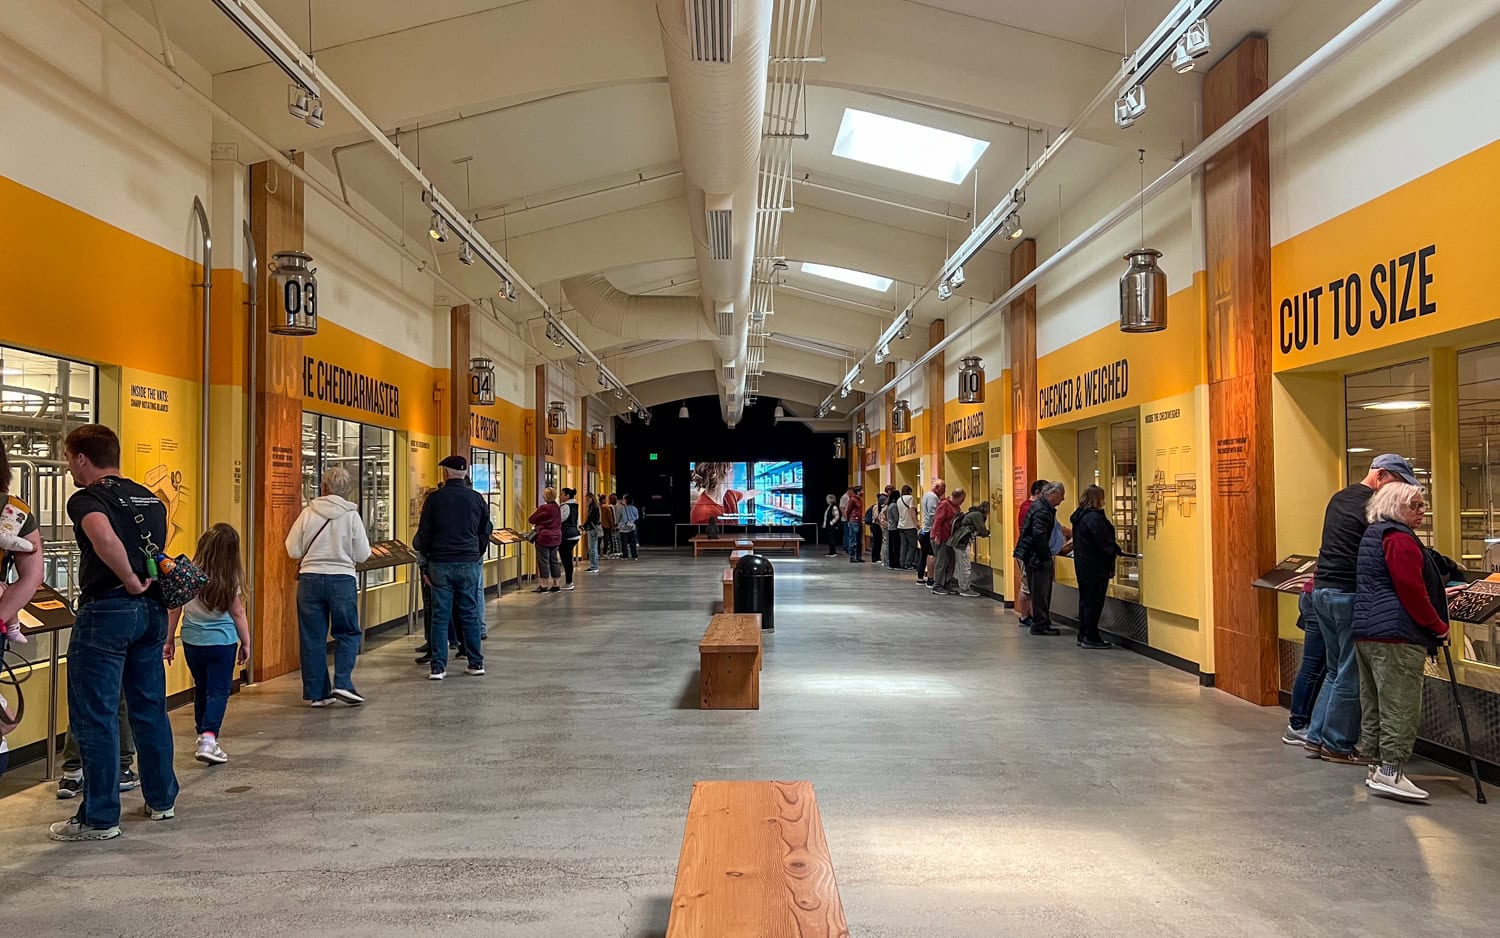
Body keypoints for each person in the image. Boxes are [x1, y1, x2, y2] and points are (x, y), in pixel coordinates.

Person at [49, 424, 177, 842]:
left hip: (108, 611)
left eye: (69, 459)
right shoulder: (150, 499)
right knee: (149, 708)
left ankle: (99, 816)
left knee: (96, 714)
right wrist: (143, 582)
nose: (69, 468)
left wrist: (126, 576)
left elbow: (103, 537)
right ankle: (161, 799)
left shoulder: (87, 498)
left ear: (82, 458)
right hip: (151, 614)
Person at [1302, 453, 1418, 764]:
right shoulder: (1374, 506)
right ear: (1381, 476)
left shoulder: (1340, 497)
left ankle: (1315, 738)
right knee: (1350, 674)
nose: (1399, 493)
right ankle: (1337, 744)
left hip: (1322, 591)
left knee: (1333, 670)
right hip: (1348, 594)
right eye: (1398, 483)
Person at [1352, 482, 1451, 801]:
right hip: (1396, 634)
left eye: (1423, 505)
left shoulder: (1374, 534)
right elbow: (1412, 591)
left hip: (1367, 630)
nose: (1423, 512)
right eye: (1416, 506)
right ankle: (1391, 771)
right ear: (1395, 506)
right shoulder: (1400, 541)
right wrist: (1438, 626)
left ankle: (1376, 766)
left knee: (1375, 702)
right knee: (1400, 703)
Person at [163, 523, 251, 764]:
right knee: (218, 691)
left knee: (201, 687)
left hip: (193, 641)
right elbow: (238, 613)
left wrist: (169, 640)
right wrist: (246, 642)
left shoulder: (188, 574)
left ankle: (202, 733)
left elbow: (175, 610)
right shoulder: (230, 578)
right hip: (222, 642)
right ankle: (209, 737)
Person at [287, 465, 372, 708]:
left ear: (324, 487)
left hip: (310, 579)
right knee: (348, 632)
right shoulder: (352, 516)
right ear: (348, 490)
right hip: (342, 579)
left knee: (312, 636)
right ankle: (343, 682)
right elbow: (363, 554)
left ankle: (317, 693)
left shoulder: (308, 513)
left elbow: (293, 549)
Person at [414, 455, 492, 680]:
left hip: (441, 563)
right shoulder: (477, 499)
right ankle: (476, 662)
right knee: (469, 612)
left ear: (445, 473)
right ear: (465, 473)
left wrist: (426, 565)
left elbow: (425, 534)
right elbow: (485, 529)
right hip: (468, 562)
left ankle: (438, 667)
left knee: (440, 615)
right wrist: (477, 552)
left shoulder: (435, 499)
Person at [1069, 485, 1120, 649]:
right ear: (1097, 499)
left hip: (1083, 565)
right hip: (1096, 567)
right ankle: (1091, 636)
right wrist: (1115, 550)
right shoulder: (1094, 518)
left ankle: (1084, 633)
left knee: (1085, 601)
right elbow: (1103, 541)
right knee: (1094, 602)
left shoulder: (1079, 517)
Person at [1015, 481, 1065, 635]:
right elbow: (1039, 536)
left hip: (1032, 556)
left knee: (1038, 591)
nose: (1063, 499)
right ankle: (1040, 624)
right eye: (1061, 495)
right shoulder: (1043, 511)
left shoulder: (1040, 507)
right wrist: (1045, 556)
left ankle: (1041, 621)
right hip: (1037, 558)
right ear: (1051, 494)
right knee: (1040, 591)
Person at [1282, 580, 1326, 745]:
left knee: (1315, 666)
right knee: (1314, 667)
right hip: (1320, 598)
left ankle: (1301, 723)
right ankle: (1298, 725)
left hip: (1311, 594)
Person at [1015, 480, 1047, 629]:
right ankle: (1024, 615)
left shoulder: (1028, 507)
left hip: (1026, 551)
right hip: (1028, 553)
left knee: (1030, 586)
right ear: (1038, 492)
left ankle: (1031, 615)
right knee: (1027, 586)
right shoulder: (1031, 508)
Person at [929, 488, 966, 595]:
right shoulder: (944, 505)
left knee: (950, 560)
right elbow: (937, 521)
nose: (962, 502)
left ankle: (946, 582)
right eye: (962, 499)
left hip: (949, 539)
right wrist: (937, 536)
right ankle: (937, 585)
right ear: (958, 497)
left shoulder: (956, 507)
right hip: (941, 538)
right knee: (941, 561)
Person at [951, 500, 991, 597]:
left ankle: (963, 587)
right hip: (963, 542)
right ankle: (965, 589)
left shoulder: (972, 513)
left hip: (958, 541)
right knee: (966, 566)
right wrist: (988, 533)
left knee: (961, 565)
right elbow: (982, 530)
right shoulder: (977, 515)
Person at [529, 487, 564, 590]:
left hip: (544, 537)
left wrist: (535, 512)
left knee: (543, 560)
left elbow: (531, 519)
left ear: (546, 496)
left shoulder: (543, 508)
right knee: (554, 560)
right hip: (556, 537)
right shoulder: (557, 507)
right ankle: (556, 583)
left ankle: (544, 584)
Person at [918, 480, 946, 586]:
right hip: (929, 530)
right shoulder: (933, 497)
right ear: (937, 487)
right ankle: (931, 578)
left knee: (924, 554)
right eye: (943, 489)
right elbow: (933, 514)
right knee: (931, 554)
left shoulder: (926, 495)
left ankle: (920, 577)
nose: (944, 492)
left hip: (924, 530)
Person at [558, 487, 581, 590]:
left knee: (566, 558)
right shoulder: (574, 506)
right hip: (574, 534)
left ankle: (569, 582)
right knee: (568, 558)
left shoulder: (566, 506)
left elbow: (559, 519)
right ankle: (569, 581)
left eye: (561, 494)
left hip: (567, 535)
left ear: (567, 496)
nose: (560, 496)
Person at [897, 485, 919, 572]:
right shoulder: (910, 498)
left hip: (901, 525)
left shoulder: (899, 499)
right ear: (910, 491)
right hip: (909, 525)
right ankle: (908, 563)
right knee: (912, 545)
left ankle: (902, 562)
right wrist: (916, 523)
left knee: (903, 545)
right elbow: (912, 511)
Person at [584, 492, 603, 573]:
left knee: (592, 548)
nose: (586, 501)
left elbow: (590, 518)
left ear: (591, 499)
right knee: (593, 548)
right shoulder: (595, 506)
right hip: (594, 528)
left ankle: (594, 566)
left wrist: (584, 526)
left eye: (587, 499)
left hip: (593, 529)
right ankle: (594, 565)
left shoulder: (593, 507)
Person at [845, 486, 865, 562]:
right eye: (862, 490)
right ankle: (852, 556)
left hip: (859, 521)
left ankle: (859, 556)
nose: (863, 492)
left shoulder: (860, 500)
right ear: (858, 492)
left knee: (859, 540)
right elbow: (848, 510)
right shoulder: (852, 499)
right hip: (853, 521)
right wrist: (848, 520)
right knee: (853, 539)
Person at [617, 495, 640, 560]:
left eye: (623, 499)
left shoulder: (621, 509)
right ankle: (634, 555)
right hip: (632, 527)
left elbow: (618, 518)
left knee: (624, 542)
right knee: (633, 542)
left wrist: (617, 524)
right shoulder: (635, 508)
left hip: (623, 527)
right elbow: (637, 517)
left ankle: (625, 555)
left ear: (625, 500)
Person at [884, 491, 903, 569]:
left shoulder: (889, 505)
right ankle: (895, 563)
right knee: (895, 547)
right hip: (894, 528)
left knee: (891, 546)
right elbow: (896, 518)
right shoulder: (894, 506)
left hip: (890, 527)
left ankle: (891, 562)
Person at [868, 492, 887, 567]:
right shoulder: (876, 506)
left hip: (877, 525)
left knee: (878, 542)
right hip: (875, 526)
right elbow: (876, 516)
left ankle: (877, 557)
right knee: (876, 542)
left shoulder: (880, 506)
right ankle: (874, 558)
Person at [601, 494, 618, 559]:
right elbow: (610, 518)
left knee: (602, 540)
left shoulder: (599, 506)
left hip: (601, 525)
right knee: (608, 539)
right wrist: (612, 526)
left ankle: (601, 553)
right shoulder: (607, 507)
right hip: (607, 526)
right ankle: (609, 552)